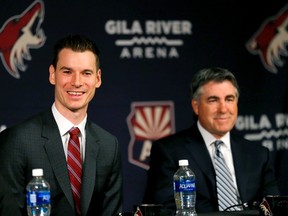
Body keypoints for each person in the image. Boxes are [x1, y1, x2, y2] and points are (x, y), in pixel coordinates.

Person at [0, 34, 123, 216]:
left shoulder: (108, 145)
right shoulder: (17, 140)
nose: (77, 82)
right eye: (67, 71)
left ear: (97, 79)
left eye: (86, 73)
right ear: (52, 75)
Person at [143, 67, 279, 213]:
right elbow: (164, 210)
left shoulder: (259, 154)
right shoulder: (169, 151)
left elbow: (274, 208)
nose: (223, 109)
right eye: (213, 100)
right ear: (196, 106)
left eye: (229, 99)